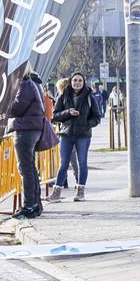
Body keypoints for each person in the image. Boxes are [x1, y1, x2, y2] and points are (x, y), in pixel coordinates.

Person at [48, 72, 102, 203]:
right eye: (75, 80)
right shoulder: (63, 96)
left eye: (80, 80)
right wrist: (68, 112)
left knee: (82, 163)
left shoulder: (89, 97)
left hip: (83, 135)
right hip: (67, 134)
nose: (77, 83)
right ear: (71, 82)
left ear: (84, 83)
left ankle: (80, 191)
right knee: (63, 164)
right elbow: (55, 115)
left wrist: (86, 124)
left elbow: (97, 117)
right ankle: (56, 192)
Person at [7, 75, 47, 220]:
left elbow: (16, 109)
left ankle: (29, 206)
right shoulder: (33, 83)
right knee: (30, 168)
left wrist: (5, 103)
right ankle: (35, 205)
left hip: (25, 130)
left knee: (25, 169)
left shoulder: (25, 85)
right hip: (32, 128)